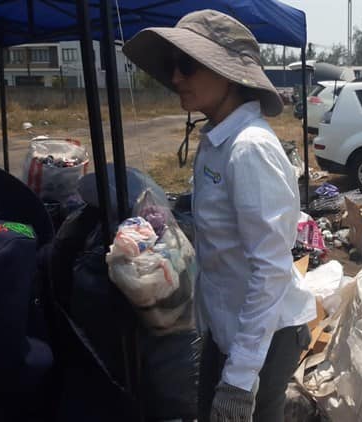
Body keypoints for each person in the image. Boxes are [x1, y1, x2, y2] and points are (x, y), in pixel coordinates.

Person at [123, 10, 316, 422]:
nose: (176, 77)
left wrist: (241, 378)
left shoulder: (249, 149)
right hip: (227, 327)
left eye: (187, 65)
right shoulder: (217, 141)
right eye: (174, 66)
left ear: (226, 73)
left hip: (263, 336)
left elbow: (270, 268)